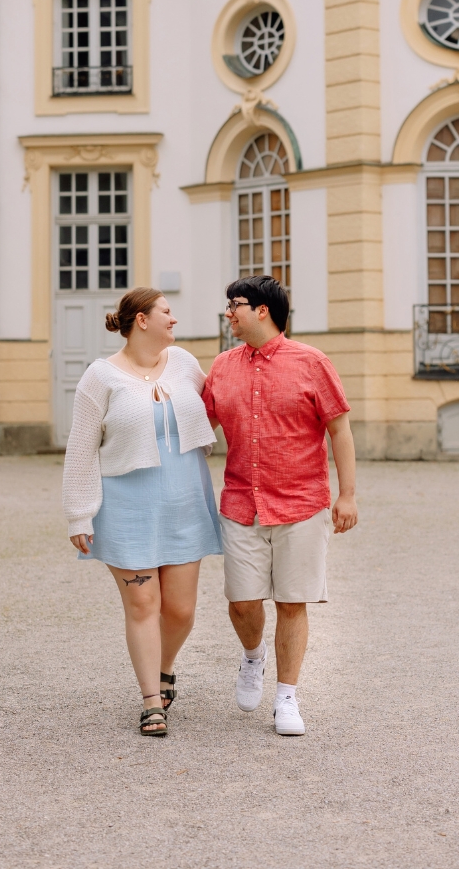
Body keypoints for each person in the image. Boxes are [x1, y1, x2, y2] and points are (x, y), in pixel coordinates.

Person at [202, 274, 358, 736]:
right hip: (240, 504)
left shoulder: (312, 363)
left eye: (236, 304)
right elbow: (196, 426)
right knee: (242, 600)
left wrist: (347, 495)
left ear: (263, 311)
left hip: (302, 504)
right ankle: (253, 657)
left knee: (293, 603)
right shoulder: (222, 366)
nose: (229, 312)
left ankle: (287, 697)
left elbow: (340, 431)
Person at [62, 287, 221, 738]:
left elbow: (211, 411)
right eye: (167, 312)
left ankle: (165, 668)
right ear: (142, 321)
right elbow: (80, 450)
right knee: (143, 603)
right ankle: (152, 699)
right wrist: (79, 514)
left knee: (182, 610)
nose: (175, 320)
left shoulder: (187, 364)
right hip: (127, 509)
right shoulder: (100, 377)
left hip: (185, 502)